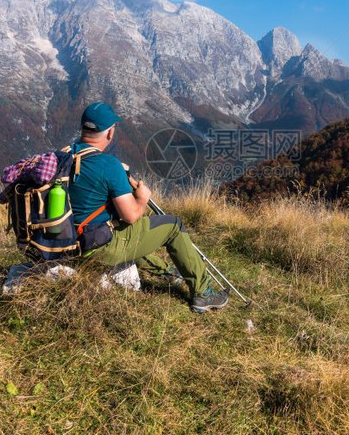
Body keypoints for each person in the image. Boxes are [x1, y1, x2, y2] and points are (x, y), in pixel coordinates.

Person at [44, 102, 229, 313]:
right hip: (96, 249)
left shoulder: (63, 156)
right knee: (173, 226)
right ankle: (203, 293)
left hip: (66, 242)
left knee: (132, 232)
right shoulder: (108, 165)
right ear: (110, 132)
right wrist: (142, 198)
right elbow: (131, 216)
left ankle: (166, 273)